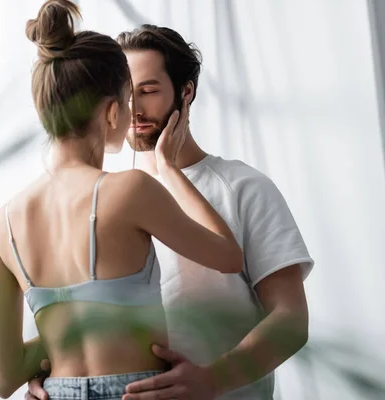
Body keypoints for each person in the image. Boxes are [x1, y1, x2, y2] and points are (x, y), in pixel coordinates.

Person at [26, 24, 315, 400]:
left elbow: (290, 320)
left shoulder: (243, 187)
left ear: (186, 92)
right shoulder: (101, 195)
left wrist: (211, 380)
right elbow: (79, 316)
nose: (134, 108)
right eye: (126, 93)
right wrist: (52, 374)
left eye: (148, 91)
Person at [0, 1, 244, 399]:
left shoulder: (2, 224)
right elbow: (229, 256)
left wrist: (62, 331)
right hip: (138, 391)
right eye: (126, 100)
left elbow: (4, 381)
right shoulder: (131, 190)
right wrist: (170, 169)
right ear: (110, 113)